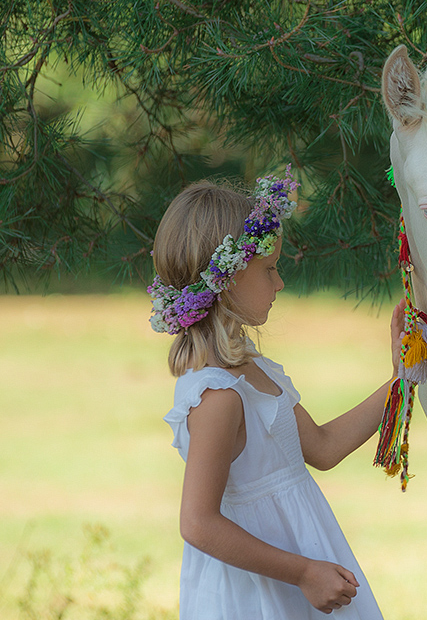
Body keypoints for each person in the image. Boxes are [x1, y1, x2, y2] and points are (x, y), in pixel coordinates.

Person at [150, 170, 397, 619]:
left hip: (302, 564)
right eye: (270, 270)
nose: (280, 283)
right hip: (256, 593)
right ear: (226, 280)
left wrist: (401, 379)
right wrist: (303, 572)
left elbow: (321, 448)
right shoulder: (218, 397)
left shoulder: (255, 371)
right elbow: (198, 523)